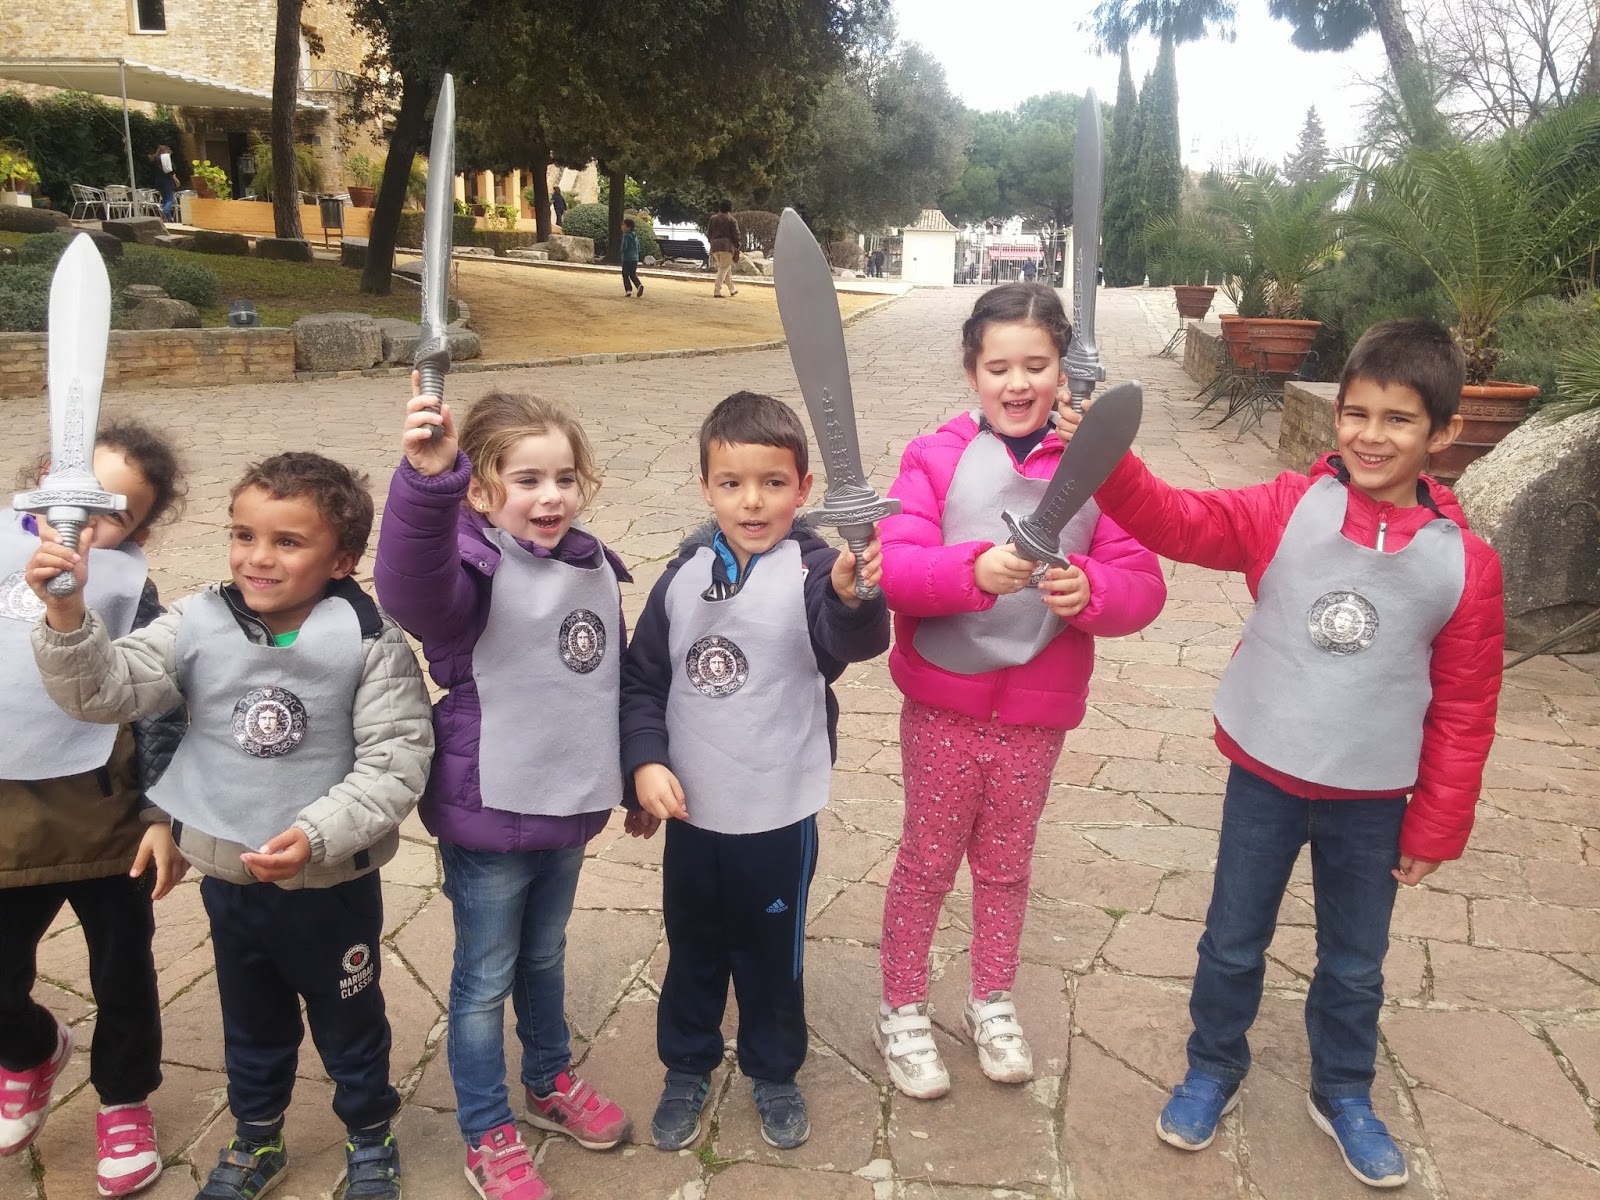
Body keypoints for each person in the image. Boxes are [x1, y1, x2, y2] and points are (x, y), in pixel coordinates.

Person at [1087, 318, 1504, 1188]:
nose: (1370, 436)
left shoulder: (1466, 564)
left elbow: (1466, 709)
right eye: (1356, 413)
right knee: (1233, 941)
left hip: (1373, 801)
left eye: (1398, 419)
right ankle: (1213, 1065)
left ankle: (1344, 1090)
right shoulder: (1286, 508)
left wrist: (1437, 823)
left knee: (1355, 963)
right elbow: (1180, 520)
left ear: (1444, 432)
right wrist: (1107, 457)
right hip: (1265, 778)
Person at [28, 452, 436, 1200]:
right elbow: (104, 690)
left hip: (330, 885)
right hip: (232, 877)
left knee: (350, 1022)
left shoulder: (370, 640)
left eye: (287, 541)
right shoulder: (197, 621)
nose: (257, 557)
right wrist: (66, 615)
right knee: (251, 1024)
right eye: (244, 535)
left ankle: (369, 1131)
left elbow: (396, 760)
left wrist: (317, 833)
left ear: (341, 559)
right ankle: (257, 1136)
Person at [872, 281, 1165, 1101]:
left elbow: (1143, 582)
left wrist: (1092, 590)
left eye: (1036, 365)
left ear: (1063, 370)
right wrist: (973, 571)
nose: (1017, 383)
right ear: (972, 371)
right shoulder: (934, 456)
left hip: (1035, 715)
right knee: (927, 861)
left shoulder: (1099, 466)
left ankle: (991, 999)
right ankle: (901, 1007)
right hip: (943, 706)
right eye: (998, 367)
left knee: (1005, 865)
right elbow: (896, 567)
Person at [374, 379, 638, 1199]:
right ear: (482, 493)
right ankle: (486, 1128)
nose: (550, 496)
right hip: (490, 815)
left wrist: (631, 780)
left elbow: (608, 682)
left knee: (547, 954)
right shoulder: (469, 573)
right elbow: (409, 585)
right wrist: (427, 483)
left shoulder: (590, 564)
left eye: (563, 478)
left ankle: (548, 1079)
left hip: (569, 807)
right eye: (526, 480)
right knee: (484, 978)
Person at [622, 392, 890, 1153]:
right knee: (693, 946)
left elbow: (849, 639)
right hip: (694, 811)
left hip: (777, 808)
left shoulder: (814, 571)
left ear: (803, 489)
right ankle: (687, 1064)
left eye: (773, 483)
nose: (752, 501)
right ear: (706, 487)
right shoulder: (682, 575)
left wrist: (854, 595)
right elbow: (643, 680)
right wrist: (643, 761)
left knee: (772, 955)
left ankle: (774, 1069)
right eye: (732, 483)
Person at [0, 422, 186, 1198]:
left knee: (123, 969)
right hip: (10, 816)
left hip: (108, 815)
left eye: (112, 514)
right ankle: (30, 1049)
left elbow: (159, 704)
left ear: (137, 532)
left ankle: (124, 1099)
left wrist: (160, 812)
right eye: (75, 495)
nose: (83, 522)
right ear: (45, 476)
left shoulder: (129, 592)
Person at [708, 200, 740, 298]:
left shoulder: (713, 218)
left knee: (726, 269)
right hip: (727, 247)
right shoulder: (732, 220)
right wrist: (737, 245)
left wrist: (712, 242)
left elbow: (709, 233)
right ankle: (717, 290)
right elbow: (736, 235)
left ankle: (732, 289)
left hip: (715, 246)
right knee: (723, 269)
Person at [151, 145, 178, 221]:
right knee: (169, 199)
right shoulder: (165, 159)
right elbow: (172, 169)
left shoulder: (154, 161)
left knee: (164, 199)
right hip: (167, 181)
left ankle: (169, 218)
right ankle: (165, 211)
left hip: (158, 182)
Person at [621, 217, 644, 299]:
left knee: (625, 274)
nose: (622, 226)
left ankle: (628, 290)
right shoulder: (635, 236)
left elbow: (625, 246)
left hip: (627, 258)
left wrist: (622, 251)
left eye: (624, 225)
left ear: (628, 227)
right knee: (632, 274)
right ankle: (639, 285)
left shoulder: (626, 235)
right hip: (635, 258)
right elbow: (638, 247)